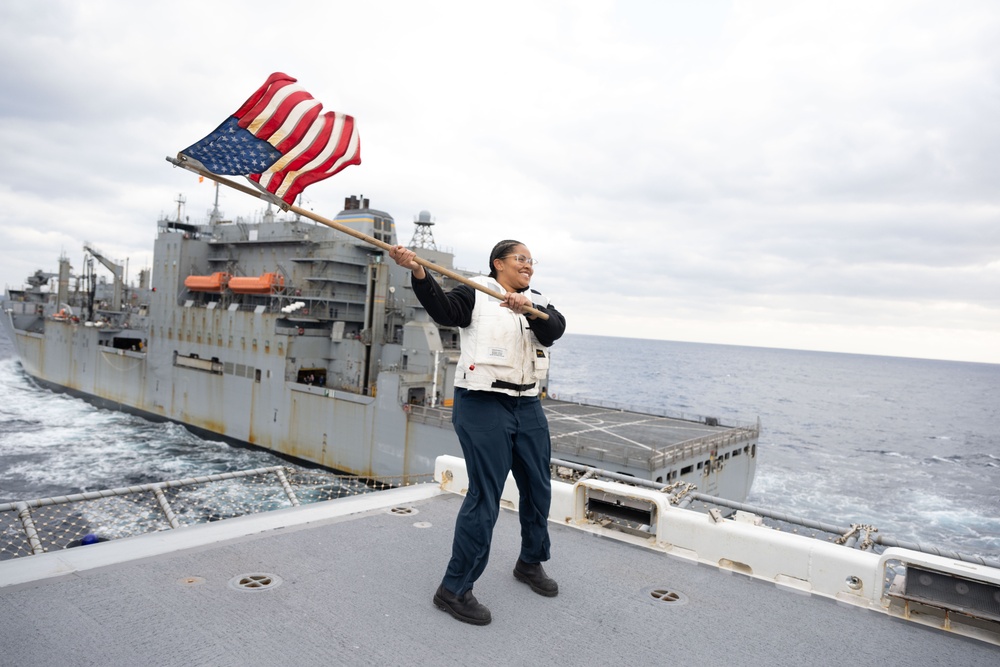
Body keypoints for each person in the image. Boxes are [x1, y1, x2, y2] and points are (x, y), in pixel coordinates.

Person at [388, 240, 567, 626]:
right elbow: (444, 310)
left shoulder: (538, 299)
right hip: (483, 404)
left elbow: (554, 330)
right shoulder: (475, 291)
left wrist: (529, 310)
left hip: (528, 405)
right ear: (497, 263)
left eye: (531, 261)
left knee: (538, 487)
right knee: (485, 495)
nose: (528, 266)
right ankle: (453, 590)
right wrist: (418, 271)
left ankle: (530, 562)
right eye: (521, 259)